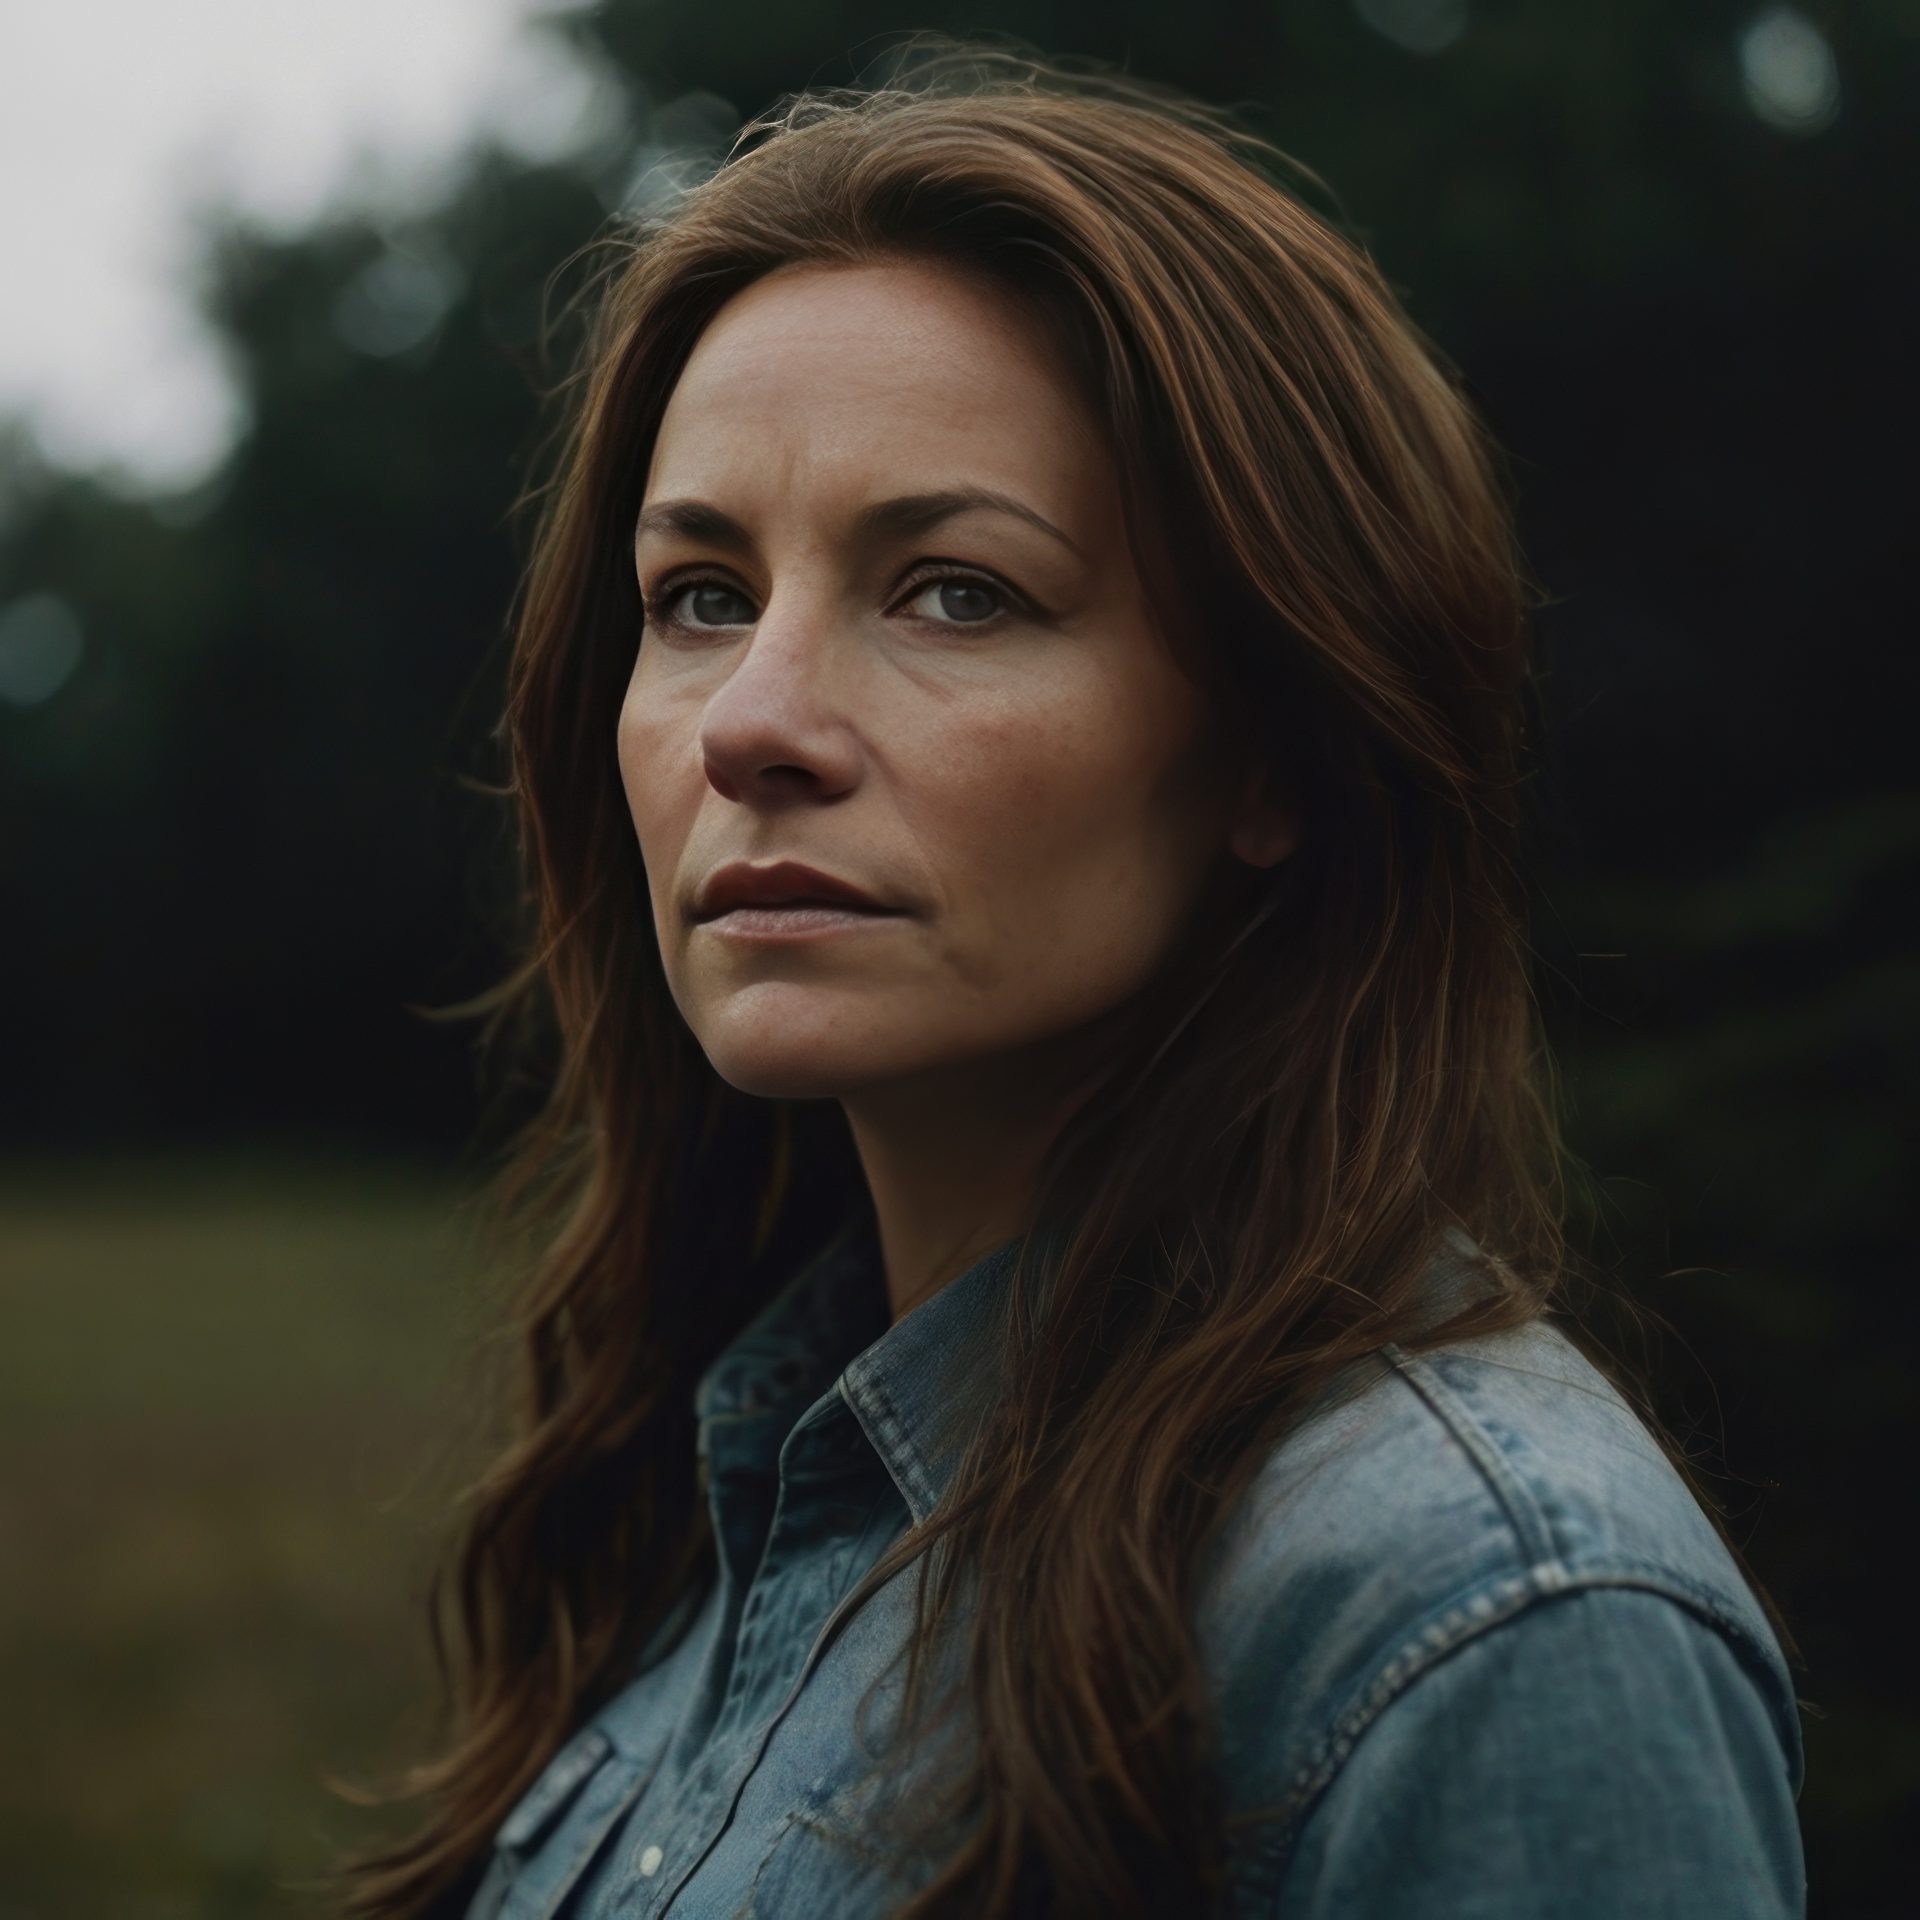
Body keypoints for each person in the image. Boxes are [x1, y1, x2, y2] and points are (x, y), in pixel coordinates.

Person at [338, 38, 1807, 1920]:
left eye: (956, 589)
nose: (756, 726)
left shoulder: (1475, 1614)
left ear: (1278, 741)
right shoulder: (737, 1473)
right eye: (702, 595)